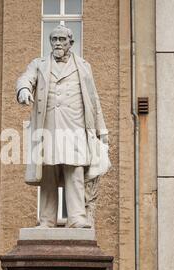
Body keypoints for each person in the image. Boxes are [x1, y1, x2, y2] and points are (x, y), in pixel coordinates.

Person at [16, 25, 109, 229]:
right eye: (54, 39)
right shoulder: (39, 64)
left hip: (75, 126)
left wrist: (101, 131)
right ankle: (47, 221)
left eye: (61, 39)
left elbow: (94, 101)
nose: (57, 43)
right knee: (48, 172)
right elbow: (25, 78)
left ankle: (76, 217)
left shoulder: (84, 66)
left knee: (74, 171)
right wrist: (23, 89)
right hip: (48, 127)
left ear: (71, 43)